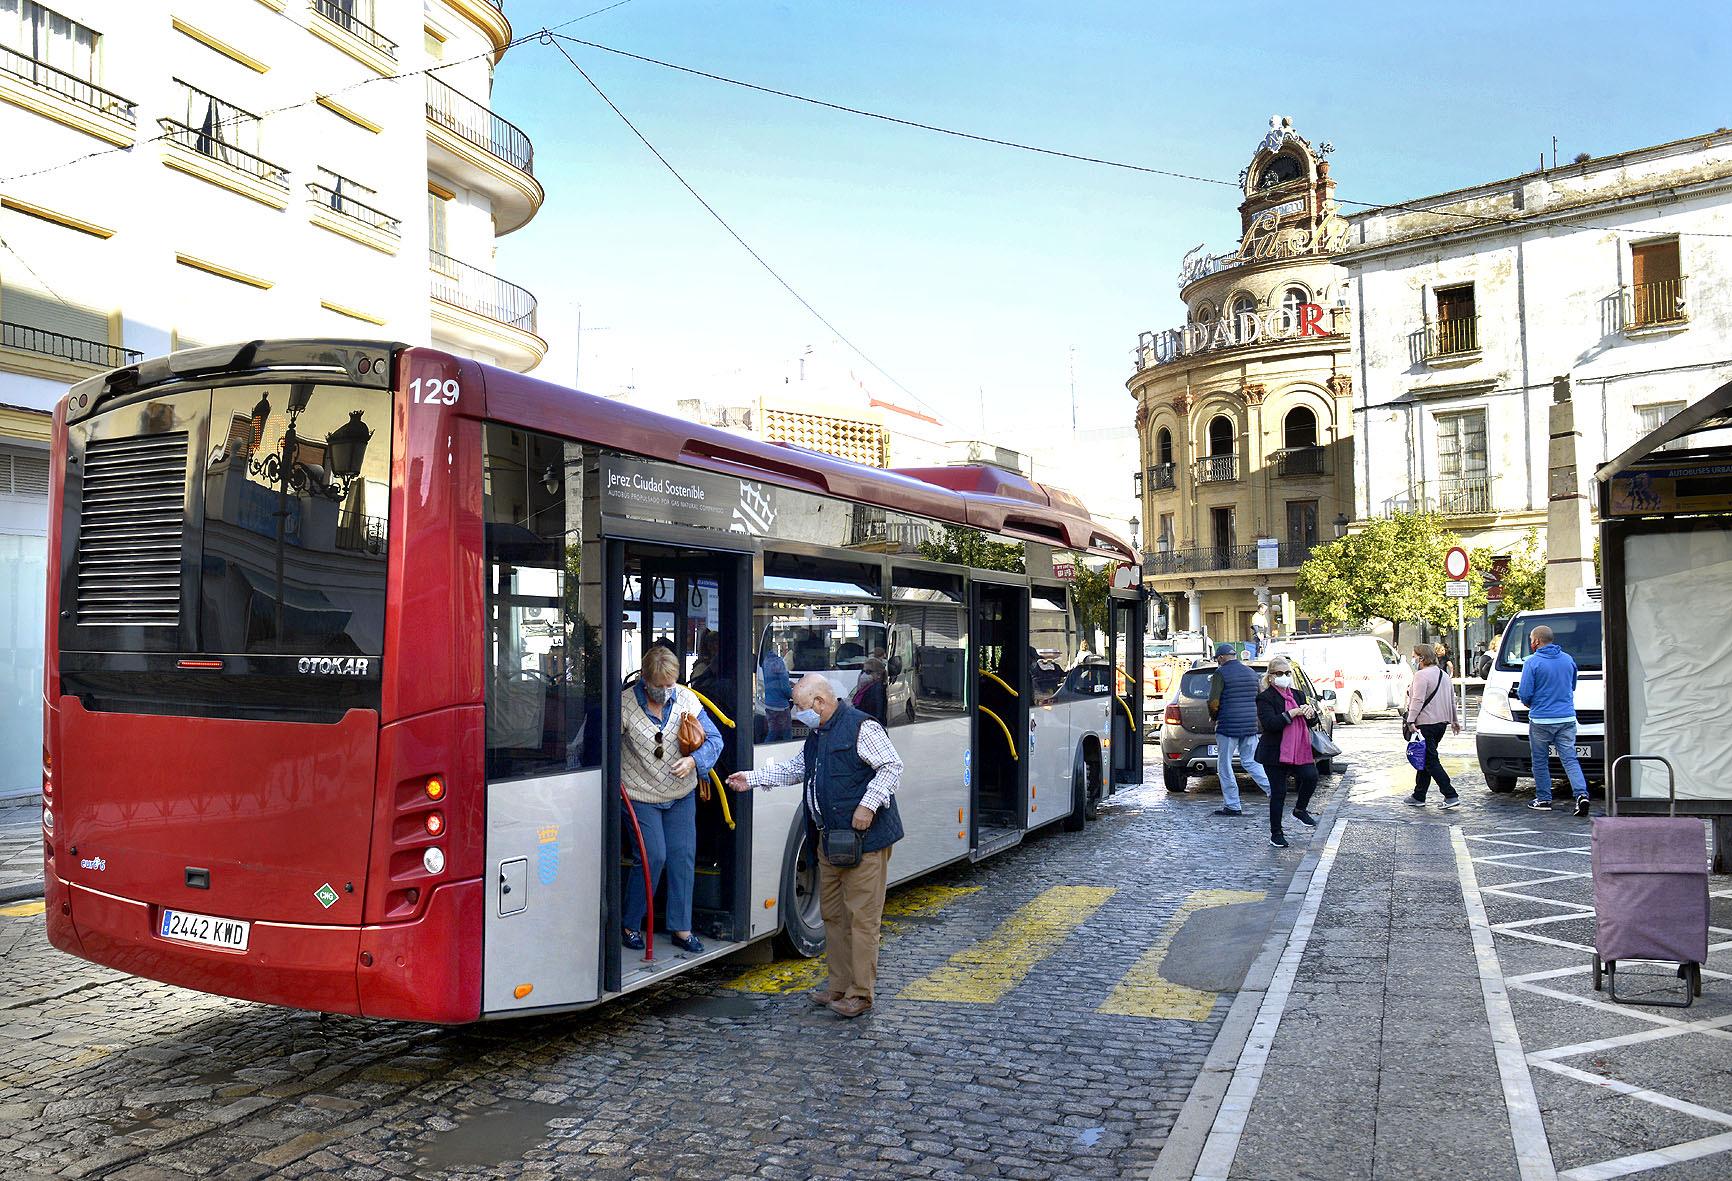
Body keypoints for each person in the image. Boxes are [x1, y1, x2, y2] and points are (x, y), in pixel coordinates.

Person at [726, 673, 904, 1019]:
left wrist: (869, 804)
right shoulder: (818, 732)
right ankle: (838, 986)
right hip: (830, 841)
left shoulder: (861, 727)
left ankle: (860, 994)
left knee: (861, 919)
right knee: (833, 916)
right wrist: (753, 778)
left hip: (864, 843)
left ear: (820, 702)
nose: (796, 713)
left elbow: (891, 767)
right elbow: (797, 770)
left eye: (801, 706)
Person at [620, 645, 723, 954]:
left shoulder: (687, 698)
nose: (666, 691)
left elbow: (715, 740)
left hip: (680, 794)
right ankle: (630, 922)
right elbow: (604, 748)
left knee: (682, 858)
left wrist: (694, 762)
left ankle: (681, 928)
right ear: (645, 680)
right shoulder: (624, 704)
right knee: (654, 857)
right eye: (659, 686)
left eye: (670, 685)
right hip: (639, 794)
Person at [1518, 624, 1589, 816]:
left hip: (1541, 720)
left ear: (1536, 641)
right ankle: (1582, 795)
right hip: (1566, 718)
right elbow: (1572, 686)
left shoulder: (1532, 663)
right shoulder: (1568, 659)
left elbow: (1524, 693)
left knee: (1540, 761)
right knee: (1570, 759)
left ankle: (1543, 799)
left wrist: (1529, 702)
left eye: (1532, 640)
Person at [1255, 655, 1319, 848]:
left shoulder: (1298, 695)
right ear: (1271, 677)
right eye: (1280, 673)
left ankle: (1300, 810)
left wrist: (1310, 714)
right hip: (1275, 752)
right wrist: (1291, 714)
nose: (1284, 676)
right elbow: (1270, 724)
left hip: (1300, 749)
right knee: (1279, 792)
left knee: (1311, 776)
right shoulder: (1265, 698)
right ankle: (1276, 833)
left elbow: (1311, 722)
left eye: (1287, 673)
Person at [1207, 642, 1269, 816]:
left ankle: (1233, 805)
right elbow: (1259, 698)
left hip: (1228, 726)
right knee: (1251, 762)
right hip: (1249, 725)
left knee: (1224, 765)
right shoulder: (1251, 673)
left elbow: (1213, 701)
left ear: (1220, 658)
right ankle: (1273, 791)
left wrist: (1213, 716)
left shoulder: (1221, 673)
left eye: (1218, 659)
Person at [1403, 645, 1462, 810]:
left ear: (1422, 658)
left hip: (1425, 723)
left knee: (1430, 760)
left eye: (1414, 656)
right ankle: (1419, 794)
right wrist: (1454, 721)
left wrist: (1410, 720)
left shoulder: (1421, 675)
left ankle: (1450, 794)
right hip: (1441, 724)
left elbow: (1417, 700)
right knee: (1426, 758)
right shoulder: (1443, 675)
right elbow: (1451, 699)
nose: (1413, 659)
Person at [761, 641, 794, 741]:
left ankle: (765, 751)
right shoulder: (779, 663)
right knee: (787, 734)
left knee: (773, 732)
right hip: (781, 706)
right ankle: (788, 754)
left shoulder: (765, 661)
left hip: (769, 703)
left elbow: (772, 680)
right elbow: (784, 688)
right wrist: (793, 695)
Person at [851, 656, 888, 724]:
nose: (864, 674)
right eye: (863, 671)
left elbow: (877, 712)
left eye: (868, 672)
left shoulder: (877, 689)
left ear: (878, 674)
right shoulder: (864, 688)